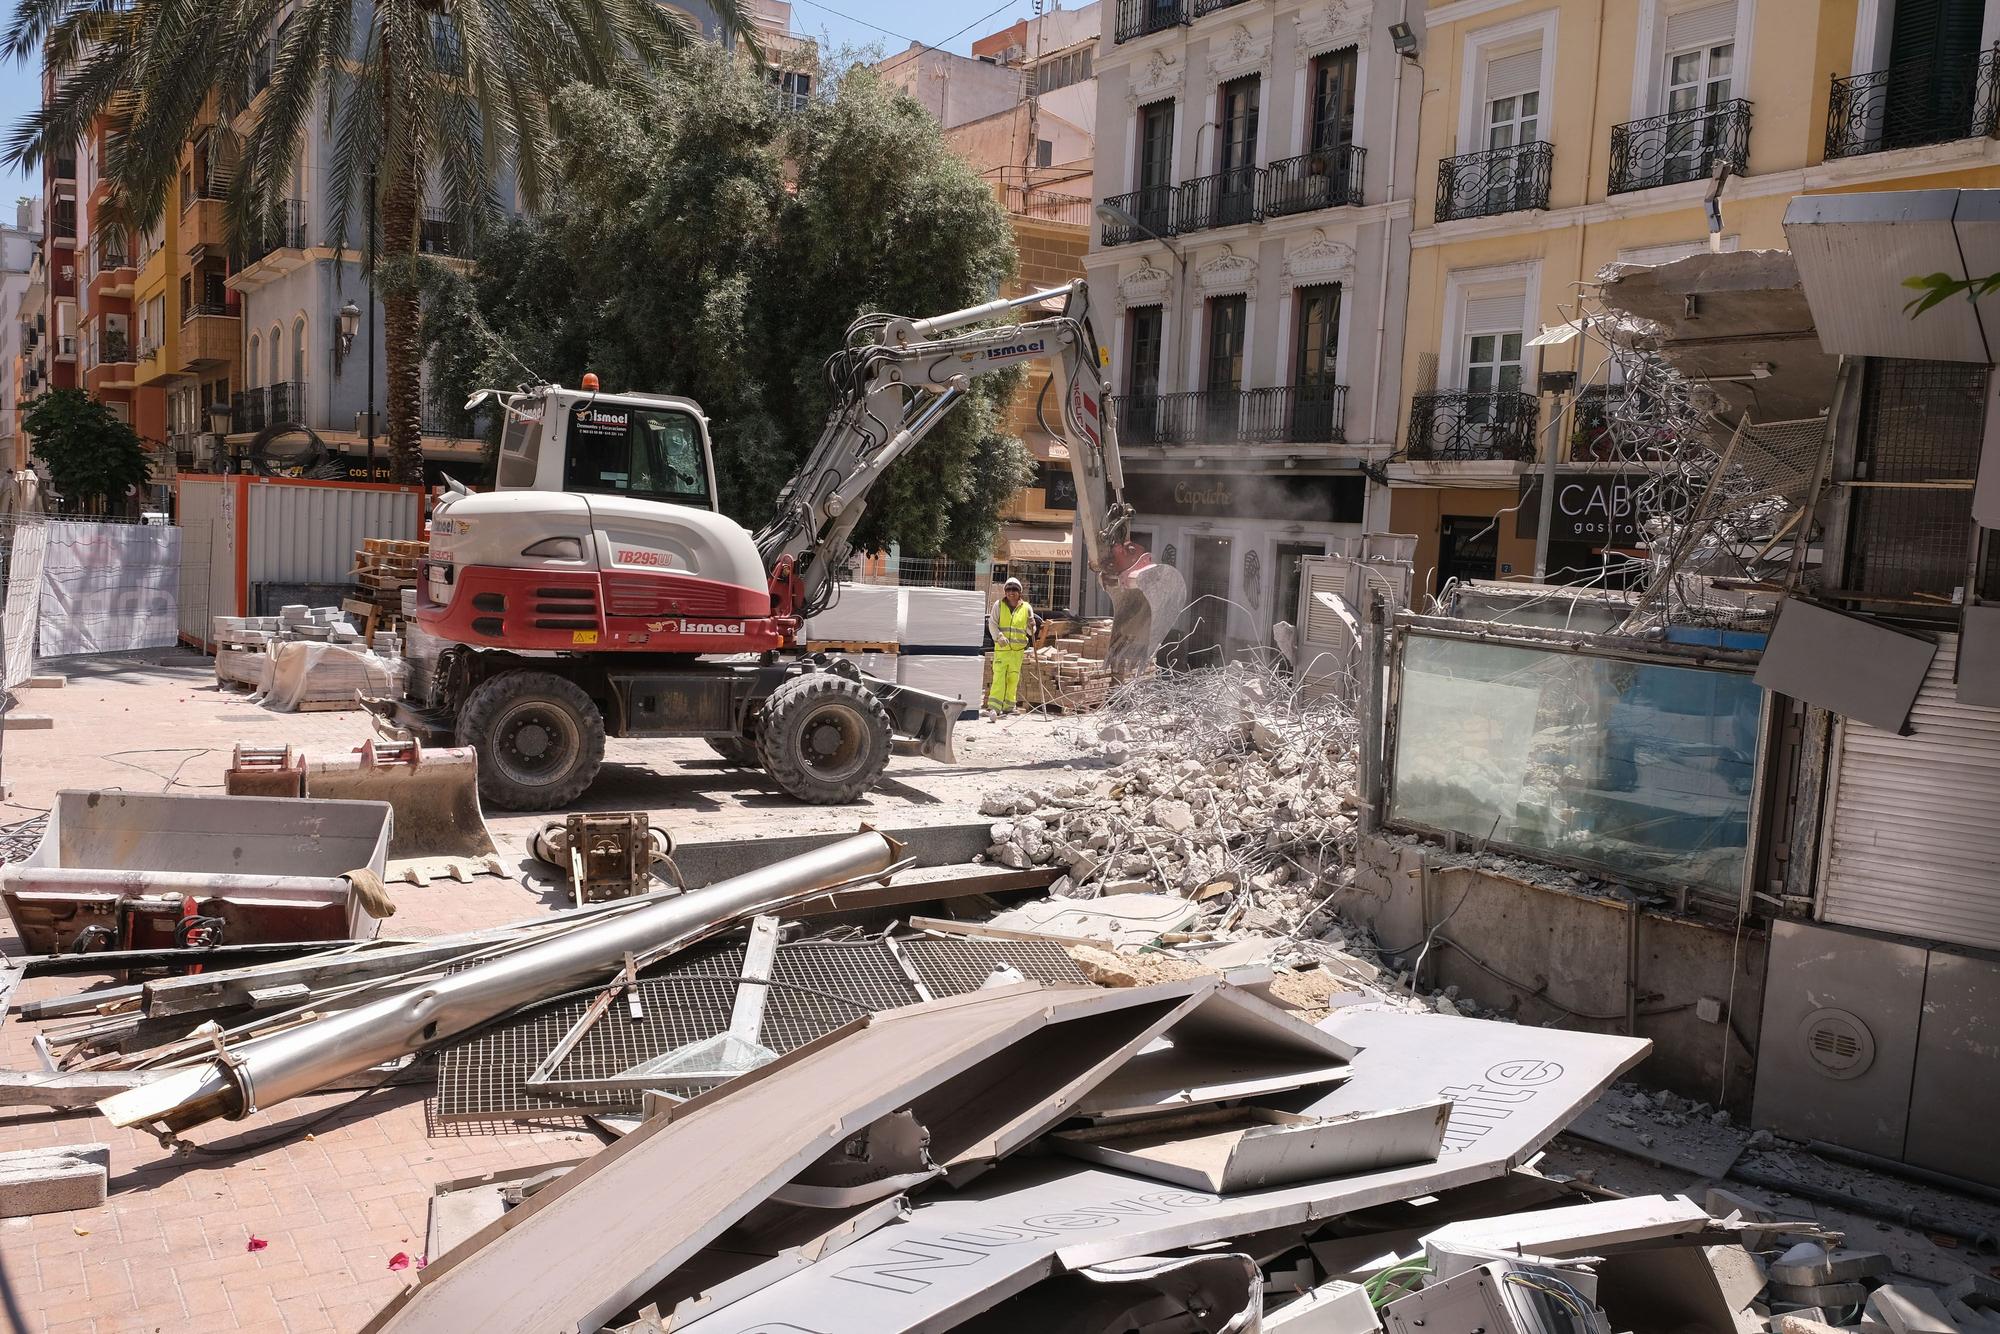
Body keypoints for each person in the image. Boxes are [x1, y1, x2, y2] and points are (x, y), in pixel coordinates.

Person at [987, 576, 1041, 715]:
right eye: (1009, 589)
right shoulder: (998, 605)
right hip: (1002, 649)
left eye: (1014, 590)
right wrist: (999, 636)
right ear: (1005, 592)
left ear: (1019, 592)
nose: (1011, 592)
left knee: (1013, 678)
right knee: (999, 677)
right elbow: (992, 624)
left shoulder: (1027, 608)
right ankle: (994, 706)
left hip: (1017, 651)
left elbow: (1030, 631)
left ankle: (1009, 706)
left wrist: (1032, 626)